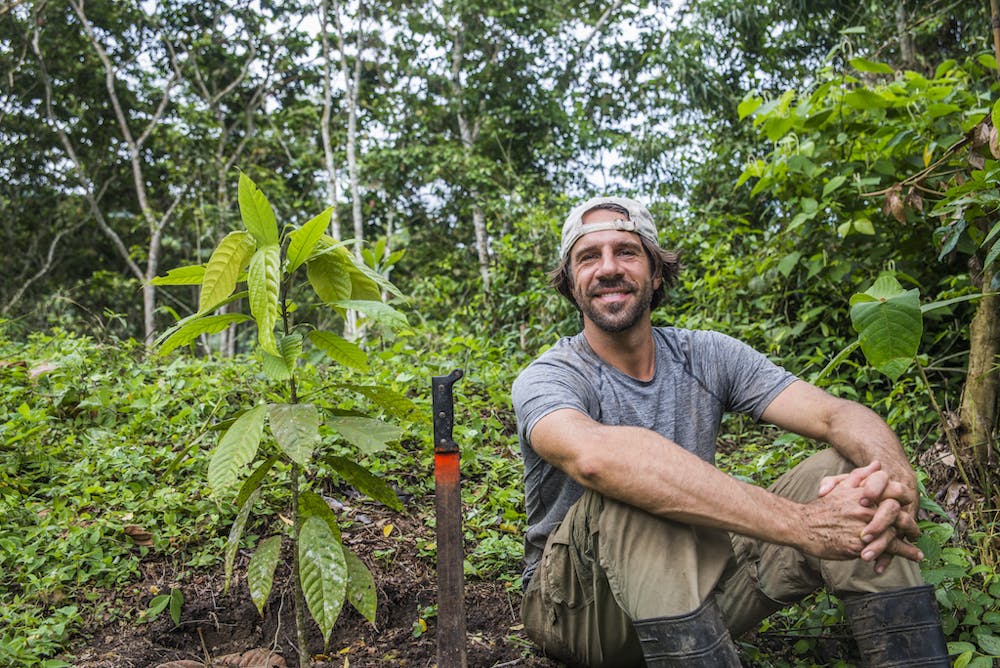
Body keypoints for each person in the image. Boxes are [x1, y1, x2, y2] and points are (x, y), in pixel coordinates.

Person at [511, 196, 950, 667]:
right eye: (588, 257)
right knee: (631, 493)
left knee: (856, 472)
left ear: (656, 273)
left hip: (696, 585)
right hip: (582, 611)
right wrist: (803, 525)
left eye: (627, 251)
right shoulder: (550, 375)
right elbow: (595, 458)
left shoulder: (703, 354)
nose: (608, 268)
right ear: (571, 283)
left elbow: (834, 415)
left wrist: (898, 478)